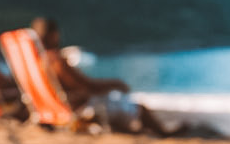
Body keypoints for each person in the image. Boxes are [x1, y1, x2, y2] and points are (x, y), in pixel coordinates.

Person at [32, 17, 177, 136]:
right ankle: (164, 133)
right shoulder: (56, 61)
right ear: (53, 35)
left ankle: (134, 130)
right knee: (140, 108)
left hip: (57, 107)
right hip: (79, 107)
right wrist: (115, 83)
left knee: (119, 104)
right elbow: (87, 86)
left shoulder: (36, 62)